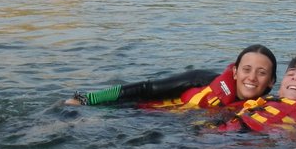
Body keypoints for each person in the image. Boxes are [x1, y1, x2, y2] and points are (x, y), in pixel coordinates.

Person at [65, 44, 277, 108]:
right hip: (138, 117)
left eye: (261, 73)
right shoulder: (201, 79)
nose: (251, 78)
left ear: (271, 82)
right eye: (246, 70)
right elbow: (146, 89)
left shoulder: (272, 108)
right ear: (235, 72)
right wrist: (88, 100)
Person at [211, 53, 296, 133]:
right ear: (280, 89)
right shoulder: (261, 102)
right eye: (290, 74)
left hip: (257, 143)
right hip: (225, 132)